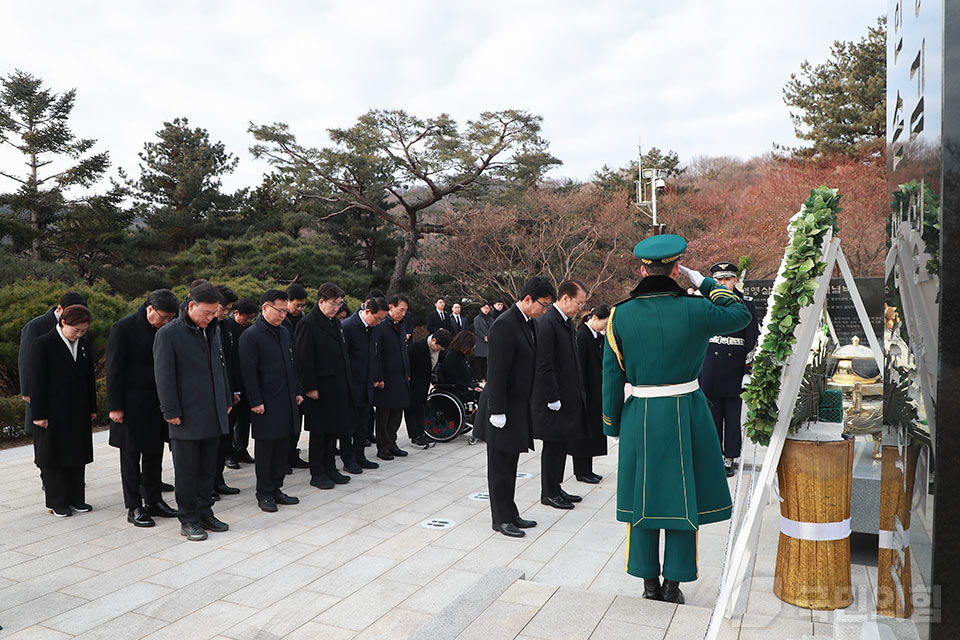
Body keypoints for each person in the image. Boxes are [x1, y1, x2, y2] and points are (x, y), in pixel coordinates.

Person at [602, 234, 752, 604]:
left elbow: (611, 375)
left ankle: (648, 583)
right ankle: (674, 584)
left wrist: (613, 423)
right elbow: (740, 314)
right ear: (675, 268)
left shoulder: (621, 314)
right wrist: (704, 281)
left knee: (643, 499)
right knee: (684, 499)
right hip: (687, 409)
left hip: (642, 414)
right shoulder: (696, 308)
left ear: (642, 269)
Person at [474, 276, 556, 538]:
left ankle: (511, 511)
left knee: (511, 463)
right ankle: (501, 519)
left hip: (517, 406)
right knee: (499, 467)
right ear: (528, 299)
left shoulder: (526, 322)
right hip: (501, 407)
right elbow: (496, 370)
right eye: (543, 305)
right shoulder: (504, 325)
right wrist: (497, 410)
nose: (544, 310)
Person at [154, 282, 233, 542]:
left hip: (213, 410)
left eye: (214, 313)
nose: (211, 318)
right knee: (187, 470)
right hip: (185, 414)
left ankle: (204, 511)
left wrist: (225, 397)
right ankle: (188, 518)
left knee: (208, 468)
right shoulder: (169, 334)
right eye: (206, 313)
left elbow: (221, 367)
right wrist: (170, 410)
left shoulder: (212, 330)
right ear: (191, 306)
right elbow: (164, 376)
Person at [107, 289, 181, 528]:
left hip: (158, 404)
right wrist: (115, 407)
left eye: (171, 318)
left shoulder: (169, 329)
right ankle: (134, 506)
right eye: (163, 317)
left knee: (154, 454)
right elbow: (114, 371)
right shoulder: (124, 328)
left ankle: (154, 500)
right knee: (130, 457)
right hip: (131, 405)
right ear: (150, 308)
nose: (167, 322)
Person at [28, 304, 97, 517]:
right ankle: (56, 501)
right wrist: (39, 414)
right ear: (63, 322)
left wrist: (92, 407)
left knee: (77, 453)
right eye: (76, 330)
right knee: (54, 456)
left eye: (83, 331)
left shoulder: (83, 344)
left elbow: (89, 378)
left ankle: (76, 498)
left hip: (78, 409)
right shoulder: (43, 344)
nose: (79, 334)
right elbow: (36, 382)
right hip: (52, 410)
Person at [240, 290, 304, 512]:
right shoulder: (251, 336)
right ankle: (264, 492)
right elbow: (249, 373)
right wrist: (255, 401)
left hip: (287, 399)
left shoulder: (285, 332)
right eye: (279, 311)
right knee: (267, 450)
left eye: (285, 311)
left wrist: (297, 390)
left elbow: (292, 363)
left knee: (282, 448)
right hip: (265, 403)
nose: (283, 315)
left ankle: (277, 488)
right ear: (265, 308)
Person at [19, 291, 87, 485]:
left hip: (67, 394)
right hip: (42, 389)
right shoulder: (36, 326)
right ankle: (47, 476)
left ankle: (69, 475)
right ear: (60, 310)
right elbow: (25, 361)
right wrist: (27, 391)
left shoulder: (79, 324)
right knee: (44, 438)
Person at [532, 280, 589, 510]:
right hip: (552, 398)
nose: (580, 307)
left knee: (562, 442)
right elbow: (544, 364)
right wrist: (552, 397)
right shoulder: (548, 322)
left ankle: (556, 486)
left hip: (567, 396)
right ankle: (548, 491)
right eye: (579, 302)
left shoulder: (565, 321)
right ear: (565, 298)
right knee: (553, 444)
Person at [700, 262, 760, 477]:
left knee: (733, 417)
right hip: (710, 366)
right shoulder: (706, 302)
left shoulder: (746, 304)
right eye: (719, 280)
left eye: (728, 279)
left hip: (734, 367)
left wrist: (747, 369)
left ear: (736, 280)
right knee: (711, 415)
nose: (724, 283)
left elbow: (752, 338)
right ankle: (715, 455)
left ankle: (730, 457)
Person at [295, 283, 354, 490]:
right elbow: (304, 359)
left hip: (337, 386)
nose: (337, 308)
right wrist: (309, 387)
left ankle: (330, 467)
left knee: (334, 429)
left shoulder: (335, 323)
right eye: (334, 304)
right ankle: (317, 472)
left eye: (339, 304)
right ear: (321, 301)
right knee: (320, 432)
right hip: (319, 387)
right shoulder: (308, 323)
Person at [340, 297, 387, 474]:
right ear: (367, 312)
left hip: (367, 383)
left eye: (382, 319)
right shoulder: (349, 327)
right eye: (377, 318)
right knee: (348, 426)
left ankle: (360, 455)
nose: (379, 322)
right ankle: (348, 458)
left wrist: (377, 376)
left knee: (363, 424)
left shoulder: (375, 328)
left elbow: (376, 354)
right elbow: (343, 359)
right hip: (351, 385)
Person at [571, 303, 611, 484]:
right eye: (604, 323)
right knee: (583, 435)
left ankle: (587, 469)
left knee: (592, 433)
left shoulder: (594, 336)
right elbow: (579, 369)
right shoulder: (582, 337)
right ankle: (581, 471)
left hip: (595, 392)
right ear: (594, 318)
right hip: (585, 393)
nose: (604, 328)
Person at [373, 294, 411, 460]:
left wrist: (407, 372)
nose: (403, 314)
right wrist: (379, 376)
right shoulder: (381, 326)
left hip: (400, 376)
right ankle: (383, 447)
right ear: (391, 307)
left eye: (405, 311)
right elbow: (377, 354)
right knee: (384, 414)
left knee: (397, 413)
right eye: (401, 310)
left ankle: (392, 443)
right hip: (386, 378)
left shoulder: (401, 325)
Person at [212, 284, 241, 499]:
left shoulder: (227, 326)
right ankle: (207, 485)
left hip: (227, 393)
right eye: (224, 308)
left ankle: (218, 480)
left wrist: (234, 390)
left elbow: (231, 361)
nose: (226, 313)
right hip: (208, 397)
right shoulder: (205, 326)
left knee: (224, 439)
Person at [225, 297, 258, 468]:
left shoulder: (250, 329)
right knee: (232, 420)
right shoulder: (227, 327)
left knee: (245, 419)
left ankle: (241, 448)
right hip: (233, 380)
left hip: (246, 381)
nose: (249, 321)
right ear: (236, 313)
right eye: (246, 317)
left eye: (251, 318)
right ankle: (229, 453)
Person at [281, 283, 311, 471]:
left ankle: (293, 453)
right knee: (284, 421)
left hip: (301, 373)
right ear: (287, 302)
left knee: (297, 420)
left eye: (302, 306)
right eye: (296, 305)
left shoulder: (304, 320)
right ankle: (283, 458)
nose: (298, 309)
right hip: (285, 375)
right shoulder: (280, 320)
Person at [405, 329, 452, 446]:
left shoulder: (436, 350)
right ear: (433, 340)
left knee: (421, 407)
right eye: (438, 347)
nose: (438, 350)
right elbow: (408, 364)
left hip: (424, 381)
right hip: (414, 382)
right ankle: (415, 435)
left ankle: (422, 432)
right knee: (412, 408)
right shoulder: (418, 347)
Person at [438, 330, 482, 404]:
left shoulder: (463, 356)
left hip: (466, 386)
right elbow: (452, 378)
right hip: (458, 389)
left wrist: (474, 385)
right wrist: (468, 387)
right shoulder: (452, 356)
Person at [472, 303, 494, 380]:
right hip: (480, 340)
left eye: (487, 308)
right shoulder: (477, 319)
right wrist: (484, 336)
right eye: (484, 308)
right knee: (479, 360)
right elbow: (477, 329)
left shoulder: (491, 319)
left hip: (489, 340)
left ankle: (486, 376)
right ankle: (479, 376)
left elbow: (493, 329)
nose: (486, 309)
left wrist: (489, 336)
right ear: (481, 309)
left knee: (487, 360)